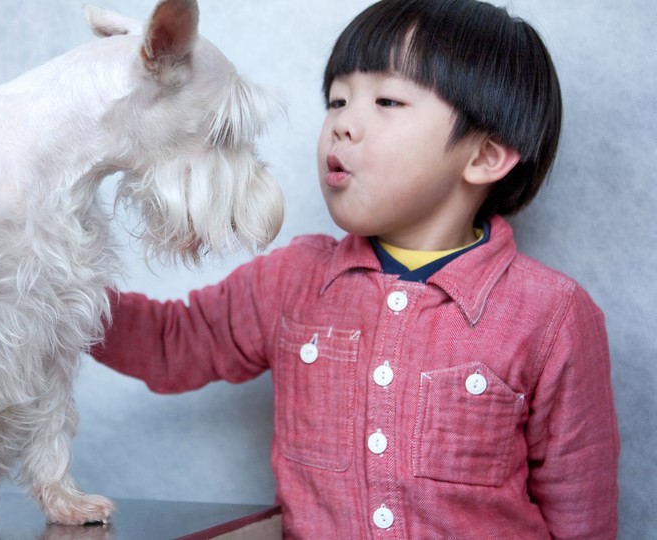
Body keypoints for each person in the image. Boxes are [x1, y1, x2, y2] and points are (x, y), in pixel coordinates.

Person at [91, 0, 620, 537]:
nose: (343, 124)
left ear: (484, 156)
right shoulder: (293, 279)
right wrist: (53, 296)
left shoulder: (552, 314)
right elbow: (170, 342)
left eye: (387, 99)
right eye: (337, 100)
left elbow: (580, 509)